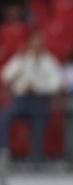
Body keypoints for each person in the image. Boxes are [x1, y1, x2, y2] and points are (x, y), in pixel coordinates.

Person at [0, 29, 62, 162]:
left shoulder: (49, 61)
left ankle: (35, 159)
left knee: (39, 121)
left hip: (40, 100)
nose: (36, 45)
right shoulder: (20, 58)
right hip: (20, 99)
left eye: (39, 42)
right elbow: (5, 76)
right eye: (34, 41)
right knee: (3, 116)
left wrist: (38, 87)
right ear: (29, 43)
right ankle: (4, 152)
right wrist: (20, 65)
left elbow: (57, 83)